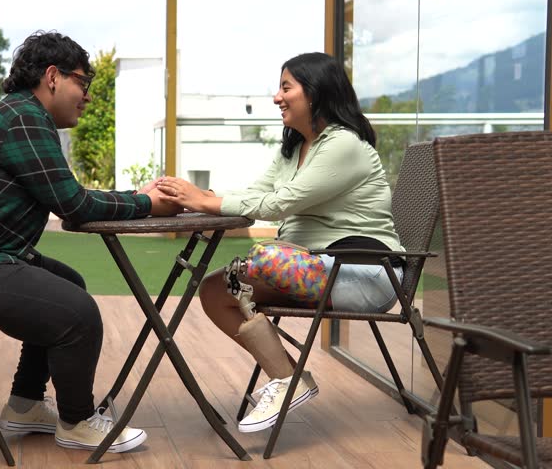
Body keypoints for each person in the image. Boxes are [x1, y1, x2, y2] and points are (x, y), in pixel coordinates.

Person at [0, 30, 179, 453]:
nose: (86, 95)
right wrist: (146, 203)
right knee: (77, 313)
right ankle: (78, 421)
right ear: (52, 76)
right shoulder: (23, 118)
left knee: (70, 284)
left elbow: (69, 194)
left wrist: (140, 199)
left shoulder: (20, 115)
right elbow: (75, 204)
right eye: (82, 82)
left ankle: (25, 403)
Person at [156, 52, 405, 433]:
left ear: (317, 93)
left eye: (286, 87)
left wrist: (202, 200)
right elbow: (258, 192)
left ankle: (286, 383)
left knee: (265, 262)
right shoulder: (296, 146)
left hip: (364, 274)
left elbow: (279, 203)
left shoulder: (344, 146)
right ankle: (289, 378)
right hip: (314, 270)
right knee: (214, 289)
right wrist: (201, 197)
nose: (277, 97)